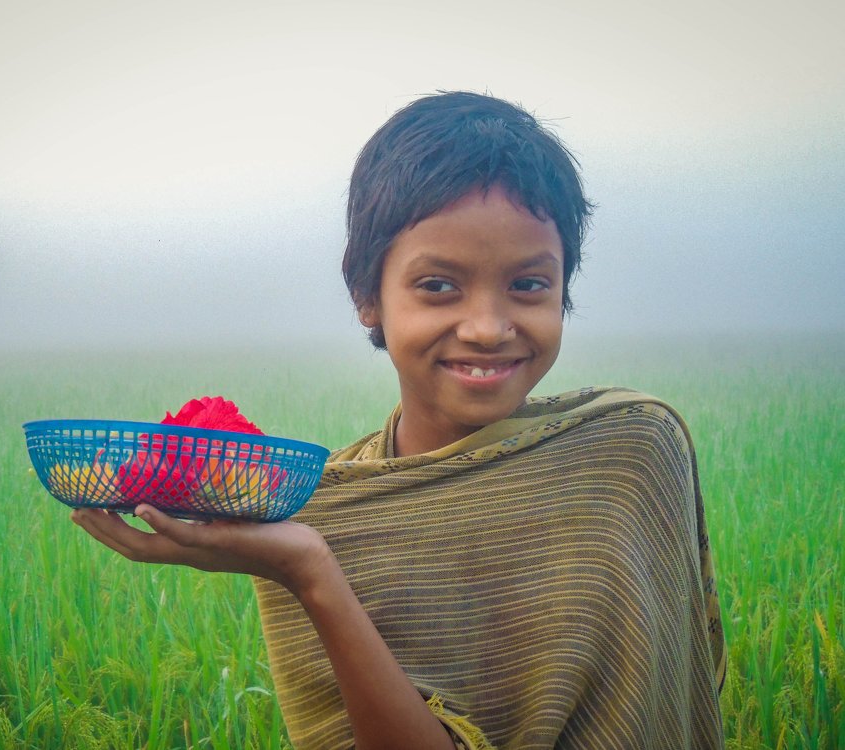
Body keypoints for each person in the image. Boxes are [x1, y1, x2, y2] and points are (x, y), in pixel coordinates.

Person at [70, 91, 726, 749]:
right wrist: (311, 575)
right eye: (439, 286)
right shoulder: (315, 519)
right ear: (366, 297)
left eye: (529, 285)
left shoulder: (629, 451)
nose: (488, 328)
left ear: (564, 291)